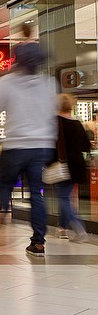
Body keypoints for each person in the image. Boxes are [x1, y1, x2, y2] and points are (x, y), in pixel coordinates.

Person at [0, 23, 57, 257]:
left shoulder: (8, 83)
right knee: (36, 194)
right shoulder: (49, 83)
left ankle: (2, 214)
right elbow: (51, 114)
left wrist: (0, 81)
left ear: (17, 62)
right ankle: (38, 242)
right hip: (42, 145)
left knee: (3, 183)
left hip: (16, 145)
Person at [52, 94, 90, 242]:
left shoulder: (56, 123)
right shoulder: (77, 123)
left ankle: (79, 227)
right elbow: (86, 145)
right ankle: (62, 228)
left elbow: (52, 146)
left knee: (63, 198)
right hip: (77, 164)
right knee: (65, 197)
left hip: (63, 164)